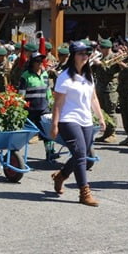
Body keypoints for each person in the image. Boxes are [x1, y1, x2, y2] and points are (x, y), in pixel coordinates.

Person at [49, 41, 105, 206]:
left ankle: (61, 176)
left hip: (86, 120)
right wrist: (54, 124)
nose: (85, 56)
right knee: (80, 153)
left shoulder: (88, 76)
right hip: (69, 120)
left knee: (81, 154)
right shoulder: (64, 77)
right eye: (81, 53)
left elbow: (93, 98)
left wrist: (100, 117)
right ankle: (84, 192)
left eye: (87, 53)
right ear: (73, 56)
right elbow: (57, 103)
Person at [18, 52, 55, 159]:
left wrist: (51, 103)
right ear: (32, 63)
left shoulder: (45, 75)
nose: (40, 63)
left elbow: (48, 91)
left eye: (41, 61)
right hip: (29, 110)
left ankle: (50, 153)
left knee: (46, 132)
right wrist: (20, 107)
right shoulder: (25, 76)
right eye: (37, 61)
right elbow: (21, 94)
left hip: (43, 109)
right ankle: (14, 154)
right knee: (24, 134)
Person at [92, 39, 121, 143]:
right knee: (103, 111)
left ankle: (112, 133)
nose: (101, 50)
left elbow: (111, 71)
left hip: (110, 88)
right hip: (101, 87)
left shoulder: (114, 57)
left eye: (102, 48)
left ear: (108, 48)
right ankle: (106, 133)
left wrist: (100, 64)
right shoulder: (101, 57)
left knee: (111, 111)